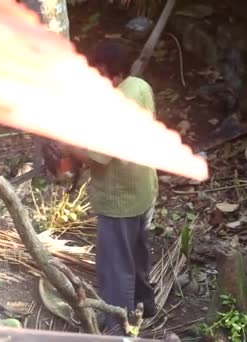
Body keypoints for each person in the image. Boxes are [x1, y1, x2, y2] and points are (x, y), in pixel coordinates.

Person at [68, 39, 159, 335]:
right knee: (137, 254)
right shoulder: (139, 86)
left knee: (115, 267)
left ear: (110, 72)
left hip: (119, 198)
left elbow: (100, 155)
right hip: (144, 188)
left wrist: (69, 144)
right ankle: (147, 304)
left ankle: (118, 327)